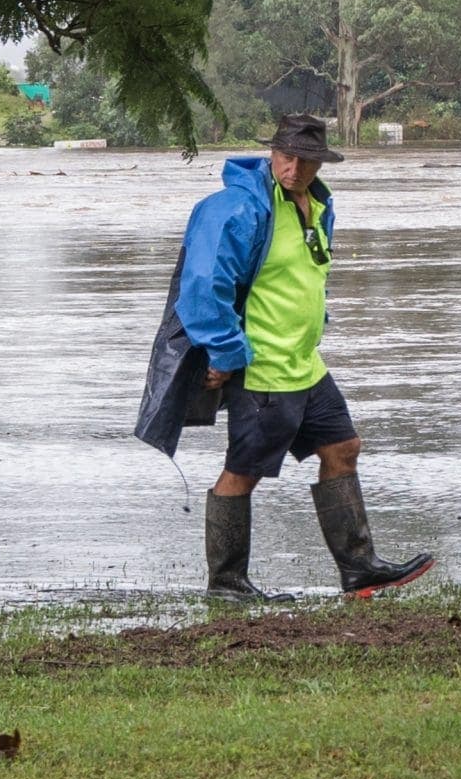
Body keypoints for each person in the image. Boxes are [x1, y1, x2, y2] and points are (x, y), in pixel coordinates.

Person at [133, 113, 434, 600]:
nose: (293, 168)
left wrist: (318, 320)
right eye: (285, 156)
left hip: (305, 363)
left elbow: (308, 276)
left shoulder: (317, 205)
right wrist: (226, 354)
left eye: (305, 159)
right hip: (263, 367)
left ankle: (358, 568)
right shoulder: (237, 208)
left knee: (343, 449)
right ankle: (227, 583)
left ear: (320, 162)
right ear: (272, 153)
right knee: (243, 471)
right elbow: (202, 289)